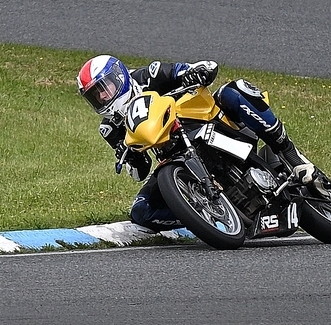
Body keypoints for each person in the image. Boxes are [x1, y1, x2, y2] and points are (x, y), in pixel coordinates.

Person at [76, 55, 314, 231]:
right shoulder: (110, 128)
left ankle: (290, 154)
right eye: (94, 95)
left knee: (233, 91)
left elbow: (200, 68)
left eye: (104, 88)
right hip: (172, 157)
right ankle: (205, 215)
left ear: (118, 77)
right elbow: (140, 172)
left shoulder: (149, 75)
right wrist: (131, 156)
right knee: (141, 211)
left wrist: (195, 73)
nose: (102, 97)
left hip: (206, 121)